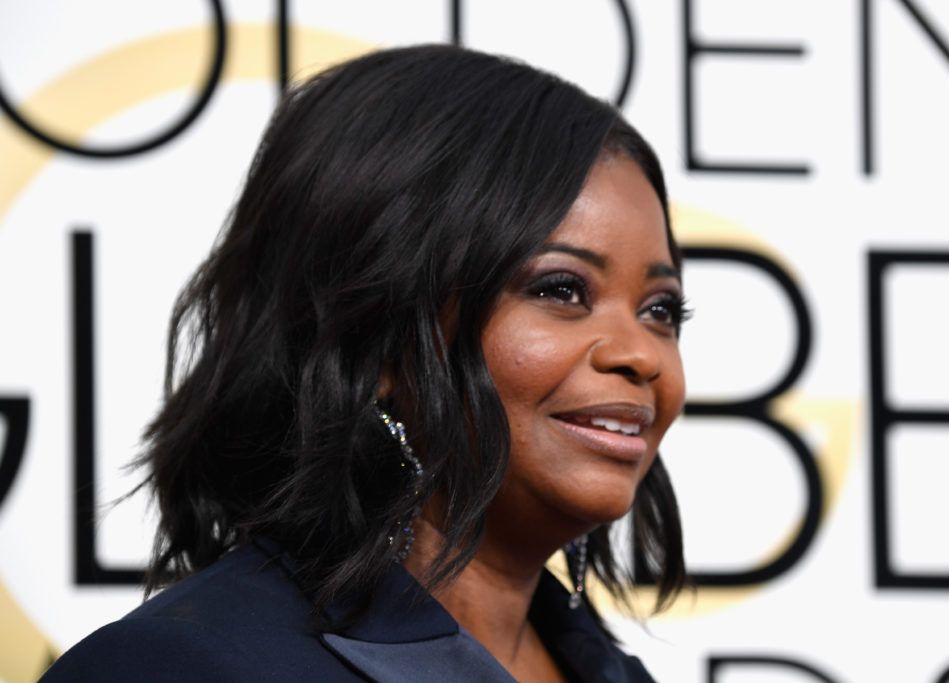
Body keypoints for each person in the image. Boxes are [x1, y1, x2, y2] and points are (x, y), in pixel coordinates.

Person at [41, 44, 689, 682]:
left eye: (661, 309)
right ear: (379, 337)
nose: (639, 354)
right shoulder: (173, 668)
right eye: (562, 289)